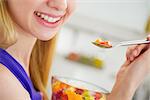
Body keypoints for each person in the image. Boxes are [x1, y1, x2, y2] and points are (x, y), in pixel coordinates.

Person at [0, 0, 150, 100]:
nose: (61, 4)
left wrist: (125, 83)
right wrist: (128, 86)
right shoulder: (5, 83)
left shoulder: (23, 66)